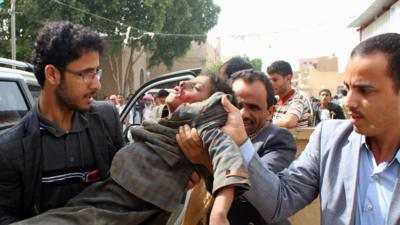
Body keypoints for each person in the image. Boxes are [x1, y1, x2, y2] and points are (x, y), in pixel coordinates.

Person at [190, 33, 400, 225]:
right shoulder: (329, 139)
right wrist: (241, 144)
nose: (348, 102)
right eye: (348, 88)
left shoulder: (278, 138)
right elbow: (280, 201)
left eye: (365, 90)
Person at [14, 73, 250, 225]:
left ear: (207, 106)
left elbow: (227, 157)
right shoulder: (168, 122)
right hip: (109, 190)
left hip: (127, 206)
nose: (181, 84)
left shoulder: (200, 130)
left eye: (195, 87)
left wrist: (219, 213)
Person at [0, 21, 125, 224]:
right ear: (52, 74)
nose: (97, 84)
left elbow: (127, 179)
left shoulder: (107, 120)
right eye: (86, 73)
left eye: (97, 72)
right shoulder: (10, 150)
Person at [177, 69, 296, 225]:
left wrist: (205, 161)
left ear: (269, 112)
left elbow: (256, 192)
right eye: (236, 105)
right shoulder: (211, 132)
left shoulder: (278, 139)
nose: (242, 113)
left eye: (253, 107)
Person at [267, 60, 311, 128]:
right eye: (269, 80)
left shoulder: (298, 99)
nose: (271, 84)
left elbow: (289, 122)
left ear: (288, 78)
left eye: (275, 80)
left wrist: (262, 125)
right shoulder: (278, 100)